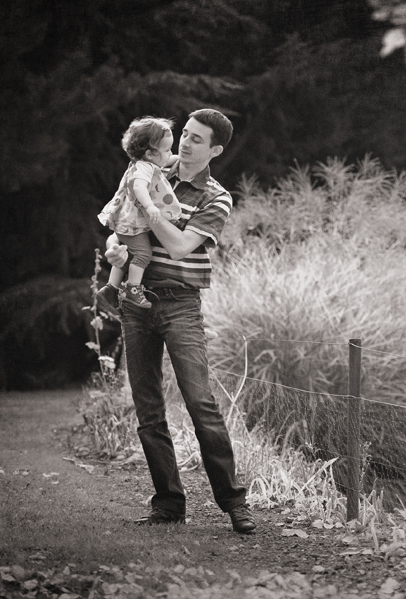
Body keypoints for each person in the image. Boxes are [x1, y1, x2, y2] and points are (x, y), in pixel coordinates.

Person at [104, 108, 256, 534]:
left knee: (200, 403)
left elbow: (180, 246)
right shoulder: (147, 170)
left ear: (215, 150)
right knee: (148, 408)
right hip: (136, 303)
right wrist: (116, 247)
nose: (185, 143)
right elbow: (121, 224)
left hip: (180, 305)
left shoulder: (216, 197)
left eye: (196, 139)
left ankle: (234, 503)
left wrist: (150, 210)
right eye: (184, 134)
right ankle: (169, 504)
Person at [96, 116, 182, 312]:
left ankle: (110, 289)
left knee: (128, 253)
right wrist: (149, 206)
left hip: (127, 222)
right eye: (167, 150)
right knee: (143, 254)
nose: (171, 153)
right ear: (150, 154)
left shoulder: (144, 162)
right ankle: (132, 288)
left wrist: (180, 159)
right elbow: (139, 187)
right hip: (132, 223)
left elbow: (165, 160)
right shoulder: (144, 169)